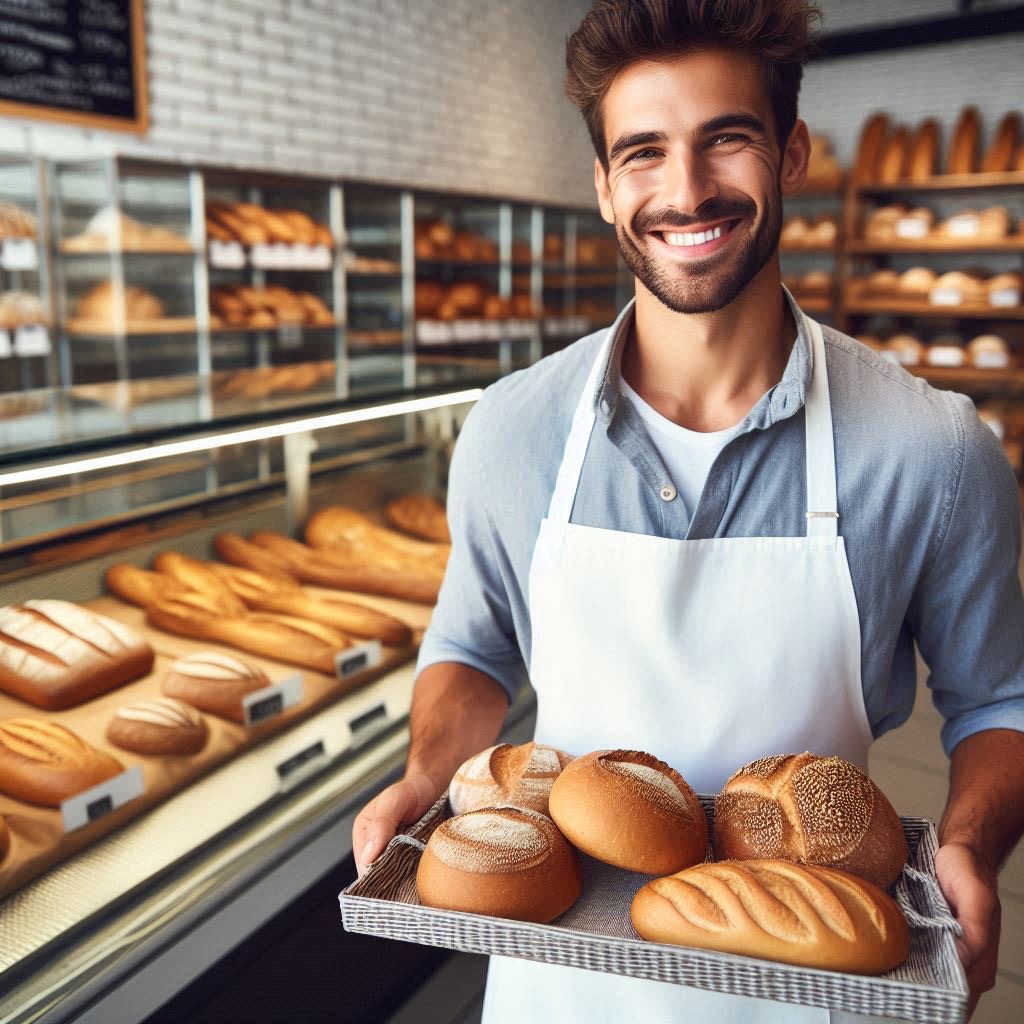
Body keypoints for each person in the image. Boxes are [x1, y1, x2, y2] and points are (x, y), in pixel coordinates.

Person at [354, 1, 1024, 1020]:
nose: (686, 190)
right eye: (642, 153)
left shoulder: (931, 450)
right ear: (601, 183)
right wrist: (427, 773)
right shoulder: (512, 430)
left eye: (727, 139)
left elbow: (997, 703)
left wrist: (972, 844)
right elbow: (474, 646)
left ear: (791, 152)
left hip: (818, 972)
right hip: (558, 975)